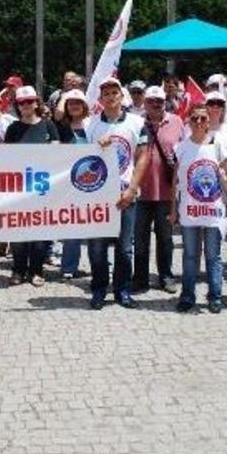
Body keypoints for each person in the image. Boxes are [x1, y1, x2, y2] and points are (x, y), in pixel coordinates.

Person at [85, 77, 149, 310]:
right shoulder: (89, 124)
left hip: (125, 192)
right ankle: (99, 289)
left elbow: (143, 156)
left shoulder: (136, 122)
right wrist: (95, 148)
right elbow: (79, 162)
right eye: (106, 94)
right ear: (100, 99)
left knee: (125, 246)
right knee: (97, 246)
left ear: (123, 97)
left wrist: (132, 189)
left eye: (115, 93)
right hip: (97, 194)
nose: (111, 97)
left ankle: (122, 290)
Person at [169, 102, 227, 313]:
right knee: (190, 255)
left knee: (213, 255)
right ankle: (188, 296)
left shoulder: (219, 144)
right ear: (188, 121)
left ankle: (215, 296)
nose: (199, 122)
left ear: (209, 121)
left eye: (203, 118)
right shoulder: (180, 148)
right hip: (190, 209)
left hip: (214, 210)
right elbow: (175, 181)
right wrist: (173, 210)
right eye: (194, 118)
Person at [4, 86, 61, 286]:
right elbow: (5, 159)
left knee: (41, 233)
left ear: (37, 103)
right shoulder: (13, 128)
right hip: (18, 189)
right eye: (22, 102)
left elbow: (56, 155)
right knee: (18, 232)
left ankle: (36, 270)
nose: (26, 105)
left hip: (43, 187)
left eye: (30, 101)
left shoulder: (48, 126)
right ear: (17, 106)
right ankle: (18, 269)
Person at [131, 85, 184, 294]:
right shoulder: (136, 123)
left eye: (159, 101)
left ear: (165, 102)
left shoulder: (177, 122)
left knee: (166, 239)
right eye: (151, 101)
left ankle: (166, 276)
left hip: (166, 191)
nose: (155, 104)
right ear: (144, 102)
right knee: (141, 239)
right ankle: (140, 278)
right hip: (140, 191)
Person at [57, 89, 91, 278]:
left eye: (78, 102)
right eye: (71, 103)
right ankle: (69, 267)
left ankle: (102, 266)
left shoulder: (93, 125)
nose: (75, 106)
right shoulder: (61, 127)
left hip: (93, 184)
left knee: (98, 225)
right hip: (68, 185)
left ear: (85, 105)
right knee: (72, 226)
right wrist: (64, 96)